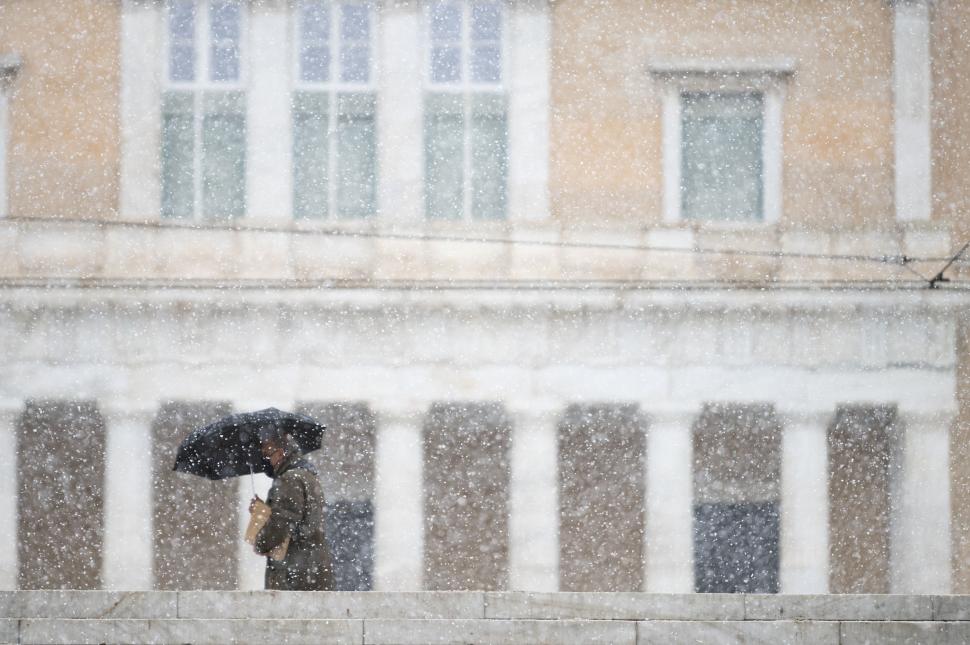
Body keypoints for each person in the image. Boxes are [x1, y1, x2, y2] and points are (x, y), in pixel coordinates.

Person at [250, 428, 334, 591]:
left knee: (288, 616)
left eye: (269, 454)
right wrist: (263, 510)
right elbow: (299, 517)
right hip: (312, 567)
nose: (267, 460)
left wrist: (261, 543)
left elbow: (282, 522)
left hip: (294, 571)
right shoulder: (308, 476)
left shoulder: (289, 479)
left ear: (280, 453)